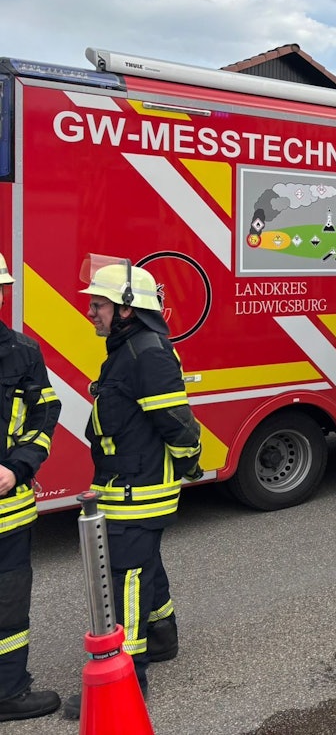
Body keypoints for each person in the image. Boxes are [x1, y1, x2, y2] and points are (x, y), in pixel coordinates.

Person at [63, 258, 202, 720]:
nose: (91, 313)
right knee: (145, 562)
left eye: (98, 305)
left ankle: (127, 677)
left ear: (126, 309)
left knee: (126, 577)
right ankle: (163, 638)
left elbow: (176, 421)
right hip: (125, 481)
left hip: (138, 488)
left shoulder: (148, 351)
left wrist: (190, 463)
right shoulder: (129, 347)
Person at [0, 254, 62, 722]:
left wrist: (18, 467)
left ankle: (9, 690)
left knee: (9, 605)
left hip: (9, 511)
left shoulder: (23, 352)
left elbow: (46, 413)